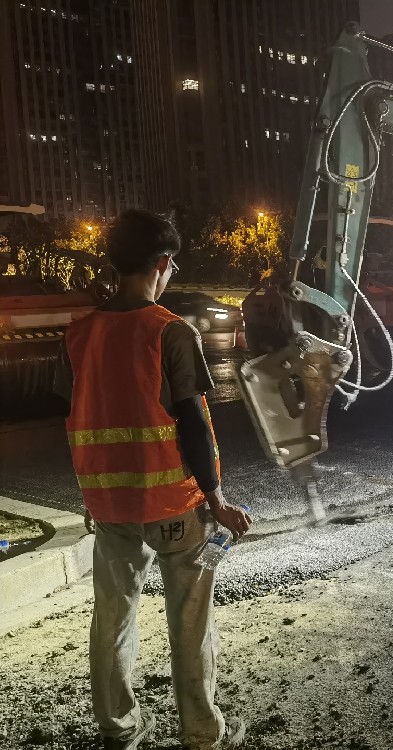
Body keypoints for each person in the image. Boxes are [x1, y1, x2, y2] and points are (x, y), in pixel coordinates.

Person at [54, 209, 252, 750]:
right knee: (190, 619)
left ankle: (119, 730)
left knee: (112, 618)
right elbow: (191, 421)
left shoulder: (78, 334)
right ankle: (201, 731)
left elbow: (75, 406)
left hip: (109, 506)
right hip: (174, 507)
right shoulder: (170, 331)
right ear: (163, 263)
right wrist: (217, 501)